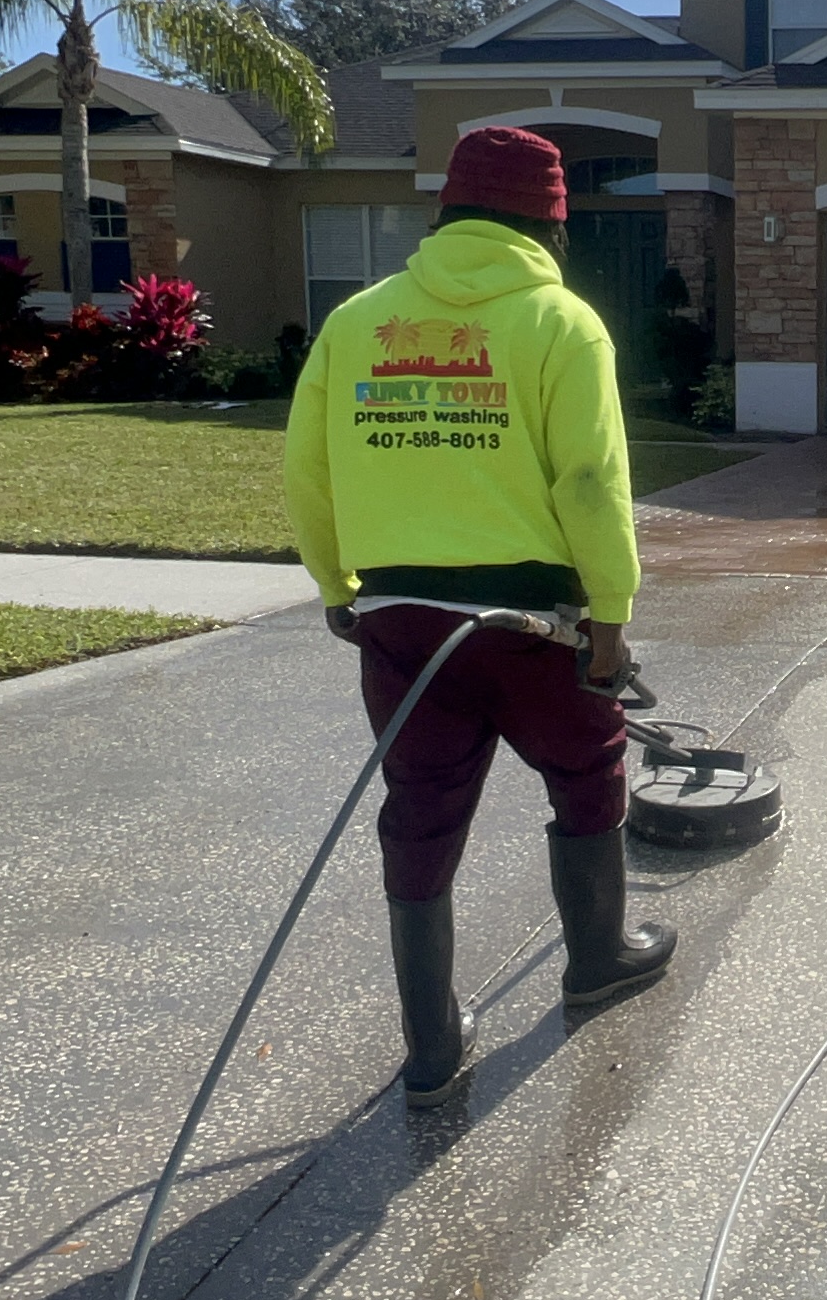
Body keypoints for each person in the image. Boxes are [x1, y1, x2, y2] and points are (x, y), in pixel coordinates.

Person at [284, 125, 673, 1108]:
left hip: (403, 617)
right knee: (586, 772)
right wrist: (612, 619)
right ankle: (598, 958)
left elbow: (307, 471)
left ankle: (428, 1046)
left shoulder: (357, 322)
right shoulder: (559, 320)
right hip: (531, 620)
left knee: (419, 811)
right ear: (549, 223)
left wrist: (336, 587)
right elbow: (589, 481)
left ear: (445, 214)